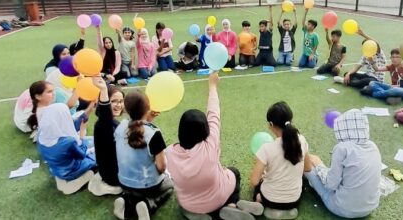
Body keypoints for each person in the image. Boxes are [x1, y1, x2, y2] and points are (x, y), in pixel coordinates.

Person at [166, 73, 263, 219]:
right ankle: (230, 205)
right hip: (218, 198)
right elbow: (214, 112)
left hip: (188, 203)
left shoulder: (169, 152)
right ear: (205, 129)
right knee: (234, 172)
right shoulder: (210, 143)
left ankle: (194, 212)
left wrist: (146, 118)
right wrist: (212, 85)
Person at [305, 109, 381, 219]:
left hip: (343, 209)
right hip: (370, 207)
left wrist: (319, 165)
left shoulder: (342, 148)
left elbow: (331, 185)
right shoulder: (373, 146)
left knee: (309, 168)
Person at [114, 91, 174, 219]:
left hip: (124, 181)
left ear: (126, 108)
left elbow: (136, 128)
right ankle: (148, 204)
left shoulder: (120, 126)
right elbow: (161, 167)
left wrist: (148, 120)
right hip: (147, 185)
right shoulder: (153, 133)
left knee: (135, 189)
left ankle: (126, 199)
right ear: (148, 108)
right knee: (170, 185)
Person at [249, 102, 311, 219]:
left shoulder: (266, 149)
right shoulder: (301, 140)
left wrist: (264, 174)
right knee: (303, 180)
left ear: (271, 124)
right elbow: (308, 168)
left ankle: (259, 199)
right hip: (294, 201)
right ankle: (285, 210)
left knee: (259, 183)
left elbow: (254, 181)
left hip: (270, 200)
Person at [37, 103, 96, 195]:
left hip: (56, 168)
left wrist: (85, 114)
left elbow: (69, 126)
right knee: (99, 152)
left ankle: (62, 179)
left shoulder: (41, 134)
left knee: (91, 141)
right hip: (71, 170)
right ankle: (78, 180)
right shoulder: (68, 142)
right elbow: (82, 155)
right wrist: (82, 136)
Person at [90, 81, 125, 196]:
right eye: (113, 101)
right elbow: (105, 113)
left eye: (120, 101)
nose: (118, 105)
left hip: (113, 170)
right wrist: (103, 90)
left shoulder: (113, 122)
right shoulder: (103, 123)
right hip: (113, 175)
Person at [339, 29, 386, 93]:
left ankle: (344, 82)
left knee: (365, 81)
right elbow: (357, 67)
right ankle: (362, 85)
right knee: (347, 74)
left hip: (376, 79)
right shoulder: (365, 55)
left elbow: (376, 43)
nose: (366, 48)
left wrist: (362, 34)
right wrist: (348, 74)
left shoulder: (379, 53)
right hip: (367, 75)